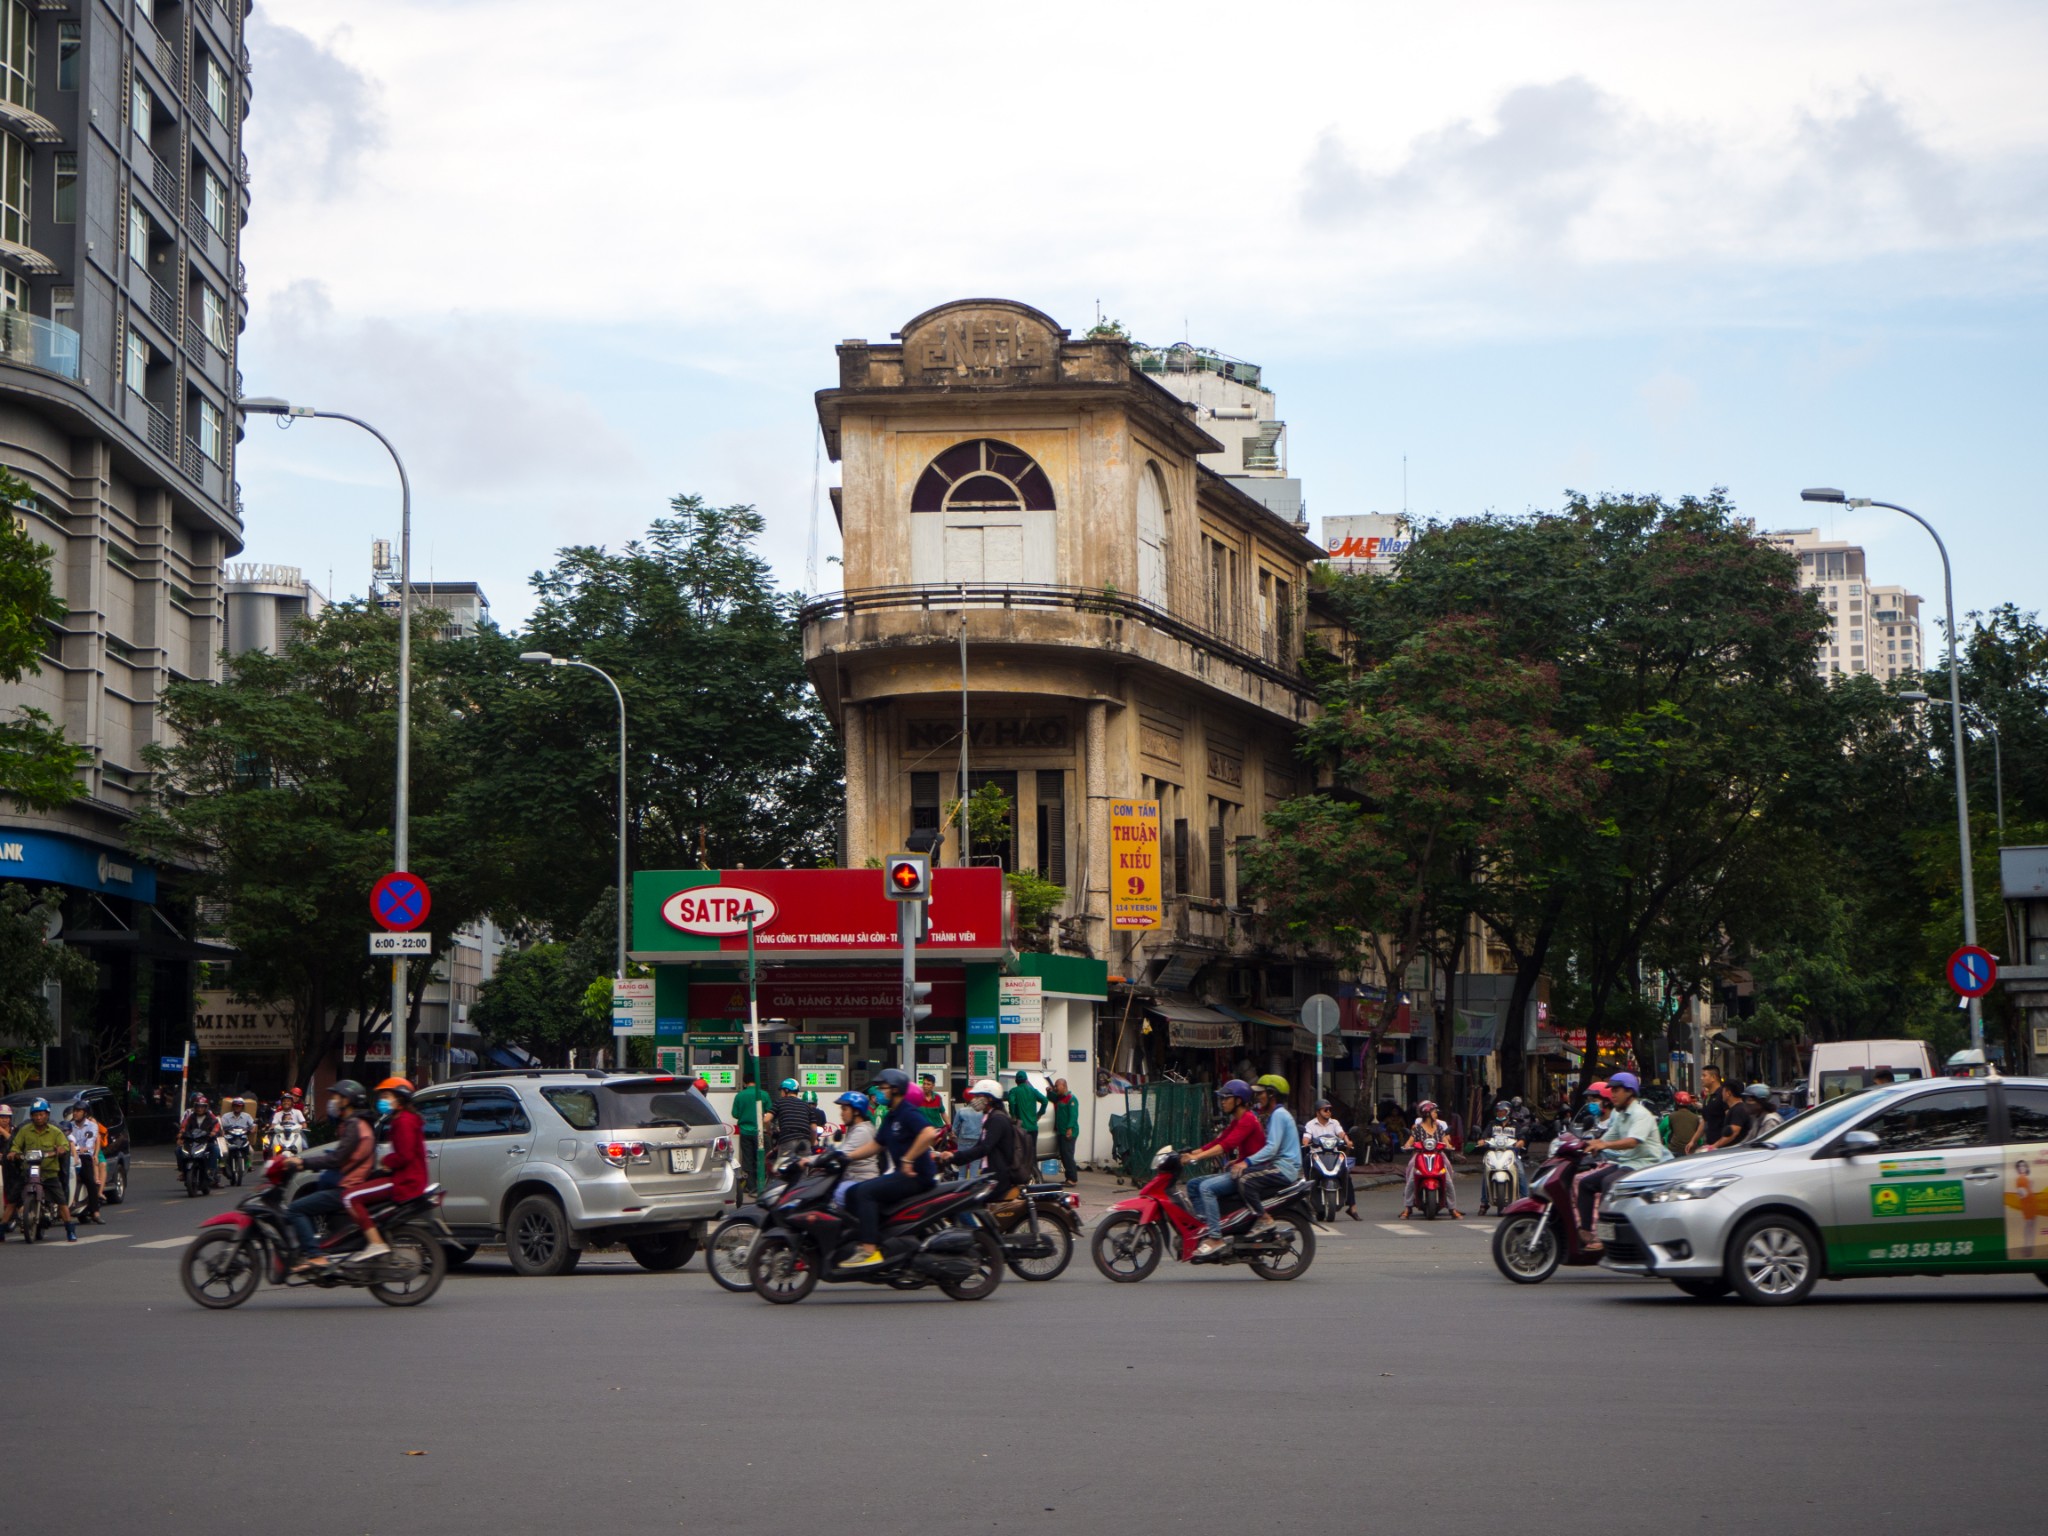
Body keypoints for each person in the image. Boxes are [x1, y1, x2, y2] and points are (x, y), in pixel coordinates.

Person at [842, 1068, 941, 1269]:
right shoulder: (891, 1116)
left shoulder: (907, 1112)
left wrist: (907, 1159)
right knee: (851, 1193)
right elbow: (877, 1145)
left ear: (895, 1089)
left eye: (882, 1088)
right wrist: (845, 1156)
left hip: (918, 1176)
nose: (879, 1092)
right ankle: (883, 1237)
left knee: (865, 1192)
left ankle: (869, 1250)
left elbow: (929, 1133)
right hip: (902, 1175)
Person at [282, 1080, 378, 1271]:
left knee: (295, 1209)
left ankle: (315, 1255)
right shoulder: (354, 1123)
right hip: (345, 1181)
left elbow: (338, 1159)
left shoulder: (355, 1125)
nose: (332, 1101)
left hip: (346, 1186)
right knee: (308, 1203)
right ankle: (316, 1246)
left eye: (336, 1097)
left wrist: (303, 1162)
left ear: (347, 1100)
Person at [334, 1076, 431, 1261]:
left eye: (387, 1096)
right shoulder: (404, 1119)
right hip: (406, 1177)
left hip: (405, 1181)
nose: (382, 1101)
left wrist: (388, 1161)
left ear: (399, 1098)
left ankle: (375, 1243)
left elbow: (405, 1155)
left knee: (349, 1197)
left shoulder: (404, 1121)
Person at [1180, 1079, 1266, 1258]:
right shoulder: (1238, 1120)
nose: (1223, 1102)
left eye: (1227, 1098)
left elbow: (1226, 1145)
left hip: (1249, 1173)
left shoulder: (1248, 1120)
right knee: (1193, 1185)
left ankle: (1216, 1237)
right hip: (1240, 1168)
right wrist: (1188, 1154)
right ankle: (1207, 1225)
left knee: (1206, 1188)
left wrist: (1196, 1157)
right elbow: (1218, 1141)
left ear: (1239, 1101)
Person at [1577, 1071, 1664, 1247]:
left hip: (1644, 1165)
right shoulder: (1621, 1115)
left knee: (1609, 1182)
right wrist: (1586, 1145)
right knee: (1586, 1183)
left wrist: (1604, 1146)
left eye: (1616, 1090)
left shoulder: (1640, 1114)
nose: (1612, 1095)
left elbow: (1632, 1142)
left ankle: (1604, 1236)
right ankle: (1585, 1231)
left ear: (1630, 1092)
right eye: (1612, 1090)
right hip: (1626, 1163)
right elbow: (1606, 1138)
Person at [942, 1079, 1029, 1199]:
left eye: (978, 1096)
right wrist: (954, 1156)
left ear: (990, 1098)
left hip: (998, 1178)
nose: (974, 1100)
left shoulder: (997, 1120)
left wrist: (955, 1157)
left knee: (966, 1204)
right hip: (990, 1174)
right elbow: (979, 1146)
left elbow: (984, 1148)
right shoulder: (991, 1117)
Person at [1239, 1074, 1301, 1232]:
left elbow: (1271, 1148)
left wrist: (1247, 1162)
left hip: (1283, 1169)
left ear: (1272, 1095)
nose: (1258, 1097)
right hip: (1281, 1167)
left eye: (1261, 1093)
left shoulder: (1279, 1115)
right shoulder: (1277, 1115)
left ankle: (1264, 1218)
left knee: (1245, 1179)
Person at [8, 1099, 77, 1240]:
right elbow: (16, 1146)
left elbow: (64, 1146)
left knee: (62, 1201)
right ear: (31, 1116)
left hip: (49, 1172)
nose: (38, 1117)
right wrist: (13, 1153)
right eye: (35, 1115)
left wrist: (60, 1150)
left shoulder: (55, 1131)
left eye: (41, 1114)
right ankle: (2, 1229)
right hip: (29, 1170)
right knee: (12, 1199)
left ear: (47, 1115)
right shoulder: (25, 1131)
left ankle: (70, 1230)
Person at [1402, 1099, 1461, 1220]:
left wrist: (1449, 1146)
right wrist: (1407, 1145)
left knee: (1448, 1179)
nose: (1436, 1114)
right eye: (1434, 1112)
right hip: (1420, 1155)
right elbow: (1411, 1140)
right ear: (1427, 1114)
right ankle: (1408, 1207)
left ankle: (1452, 1208)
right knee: (1411, 1178)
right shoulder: (1418, 1128)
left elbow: (1444, 1140)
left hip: (1438, 1155)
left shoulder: (1439, 1128)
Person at [1302, 1099, 1359, 1218]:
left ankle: (1352, 1207)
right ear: (1318, 1112)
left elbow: (1342, 1134)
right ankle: (1308, 1194)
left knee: (1346, 1175)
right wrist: (1306, 1142)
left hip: (1333, 1155)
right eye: (1325, 1110)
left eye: (1330, 1110)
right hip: (1317, 1155)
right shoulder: (1310, 1124)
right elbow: (1306, 1137)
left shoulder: (1335, 1123)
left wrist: (1348, 1141)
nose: (1328, 1112)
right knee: (1307, 1160)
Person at [822, 1091, 882, 1203]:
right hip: (853, 1178)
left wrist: (809, 1160)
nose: (841, 1114)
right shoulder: (855, 1128)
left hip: (860, 1179)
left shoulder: (862, 1131)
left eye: (845, 1109)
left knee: (838, 1194)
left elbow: (842, 1154)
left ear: (856, 1111)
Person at [731, 1072, 772, 1193]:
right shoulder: (763, 1094)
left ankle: (751, 1186)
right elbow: (769, 1113)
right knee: (762, 1158)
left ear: (744, 1082)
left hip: (745, 1132)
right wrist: (768, 1130)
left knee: (748, 1160)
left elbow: (735, 1114)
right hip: (760, 1133)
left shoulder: (740, 1095)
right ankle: (762, 1185)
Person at [770, 1078, 825, 1165]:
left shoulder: (780, 1102)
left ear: (786, 1091)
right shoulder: (806, 1106)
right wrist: (812, 1143)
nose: (781, 1093)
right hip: (805, 1142)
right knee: (803, 1168)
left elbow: (766, 1120)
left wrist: (769, 1132)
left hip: (787, 1141)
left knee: (785, 1169)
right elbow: (814, 1129)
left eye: (781, 1091)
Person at [64, 1101, 103, 1223]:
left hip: (84, 1157)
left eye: (79, 1111)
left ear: (85, 1113)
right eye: (74, 1111)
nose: (75, 1113)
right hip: (70, 1157)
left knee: (90, 1182)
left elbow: (89, 1144)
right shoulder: (69, 1126)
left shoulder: (92, 1126)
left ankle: (95, 1212)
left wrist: (81, 1149)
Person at [177, 1094, 222, 1189]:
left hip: (205, 1141)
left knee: (215, 1149)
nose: (199, 1109)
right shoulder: (190, 1117)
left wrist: (213, 1132)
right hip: (192, 1142)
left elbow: (217, 1125)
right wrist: (181, 1134)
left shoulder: (211, 1117)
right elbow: (184, 1126)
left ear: (206, 1107)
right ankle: (183, 1171)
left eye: (202, 1107)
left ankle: (211, 1171)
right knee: (178, 1150)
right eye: (198, 1106)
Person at [1702, 1078, 1753, 1154]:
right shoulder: (1735, 1109)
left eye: (1723, 1090)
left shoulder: (1739, 1110)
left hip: (1736, 1154)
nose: (1721, 1093)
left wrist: (1713, 1146)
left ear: (1728, 1093)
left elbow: (1733, 1133)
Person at [1007, 1072, 1049, 1157]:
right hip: (1033, 1127)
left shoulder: (1014, 1091)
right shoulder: (1033, 1090)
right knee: (1032, 1153)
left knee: (1021, 1154)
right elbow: (1045, 1100)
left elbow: (1011, 1101)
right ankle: (1033, 1169)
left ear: (1016, 1081)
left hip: (1020, 1128)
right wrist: (1040, 1113)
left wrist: (1013, 1115)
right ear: (1026, 1080)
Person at [1050, 1077, 1080, 1186]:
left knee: (1068, 1155)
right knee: (1064, 1155)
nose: (1055, 1088)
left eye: (1057, 1086)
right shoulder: (1059, 1098)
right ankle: (1068, 1178)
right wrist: (1049, 1091)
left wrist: (1069, 1128)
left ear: (1064, 1086)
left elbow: (1073, 1116)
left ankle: (1072, 1179)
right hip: (1061, 1132)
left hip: (1069, 1132)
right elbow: (1051, 1097)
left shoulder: (1071, 1099)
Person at [1689, 1066, 1726, 1153]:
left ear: (1713, 1077)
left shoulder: (1723, 1095)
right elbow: (1705, 1121)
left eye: (1704, 1075)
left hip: (1722, 1147)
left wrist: (1720, 1143)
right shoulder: (1707, 1097)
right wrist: (1693, 1141)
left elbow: (1730, 1118)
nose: (1701, 1078)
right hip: (1710, 1145)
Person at [1665, 1091, 1702, 1158]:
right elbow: (1699, 1136)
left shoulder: (1671, 1116)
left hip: (1674, 1150)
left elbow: (1665, 1130)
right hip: (1691, 1150)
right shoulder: (1695, 1117)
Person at [0, 1101, 17, 1237]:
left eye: (7, 1117)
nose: (5, 1119)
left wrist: (2, 1131)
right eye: (2, 1117)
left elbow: (14, 1142)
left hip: (11, 1165)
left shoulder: (15, 1130)